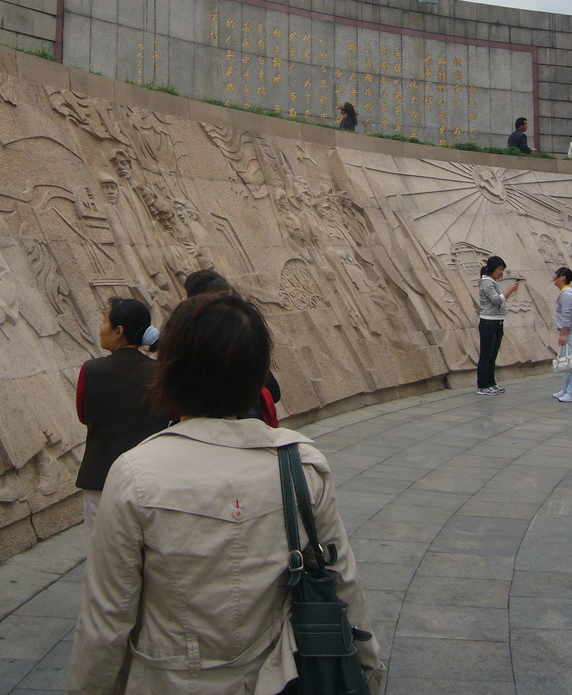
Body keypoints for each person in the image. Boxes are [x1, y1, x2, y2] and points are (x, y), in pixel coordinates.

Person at [67, 293, 383, 695]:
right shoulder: (302, 464)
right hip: (282, 676)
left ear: (171, 370)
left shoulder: (135, 474)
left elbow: (106, 620)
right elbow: (343, 584)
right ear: (257, 375)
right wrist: (369, 670)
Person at [75, 298, 166, 537]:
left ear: (119, 331)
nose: (100, 328)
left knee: (101, 557)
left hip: (100, 477)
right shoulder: (160, 373)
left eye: (104, 321)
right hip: (149, 479)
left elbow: (84, 416)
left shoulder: (91, 370)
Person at [182, 269, 282, 424]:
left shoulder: (190, 342)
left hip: (215, 429)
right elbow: (274, 391)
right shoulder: (244, 333)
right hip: (248, 426)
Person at [477, 256, 519, 395]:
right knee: (486, 355)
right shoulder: (487, 283)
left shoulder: (494, 283)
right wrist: (510, 290)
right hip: (488, 322)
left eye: (503, 270)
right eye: (499, 269)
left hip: (497, 321)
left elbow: (500, 300)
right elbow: (496, 300)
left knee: (493, 355)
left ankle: (491, 382)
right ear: (492, 268)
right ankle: (482, 385)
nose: (501, 272)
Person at [552, 267, 572, 403]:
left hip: (571, 334)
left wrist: (564, 335)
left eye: (556, 275)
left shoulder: (567, 295)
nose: (554, 277)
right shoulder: (566, 293)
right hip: (570, 333)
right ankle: (566, 390)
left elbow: (567, 316)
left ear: (563, 277)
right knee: (568, 364)